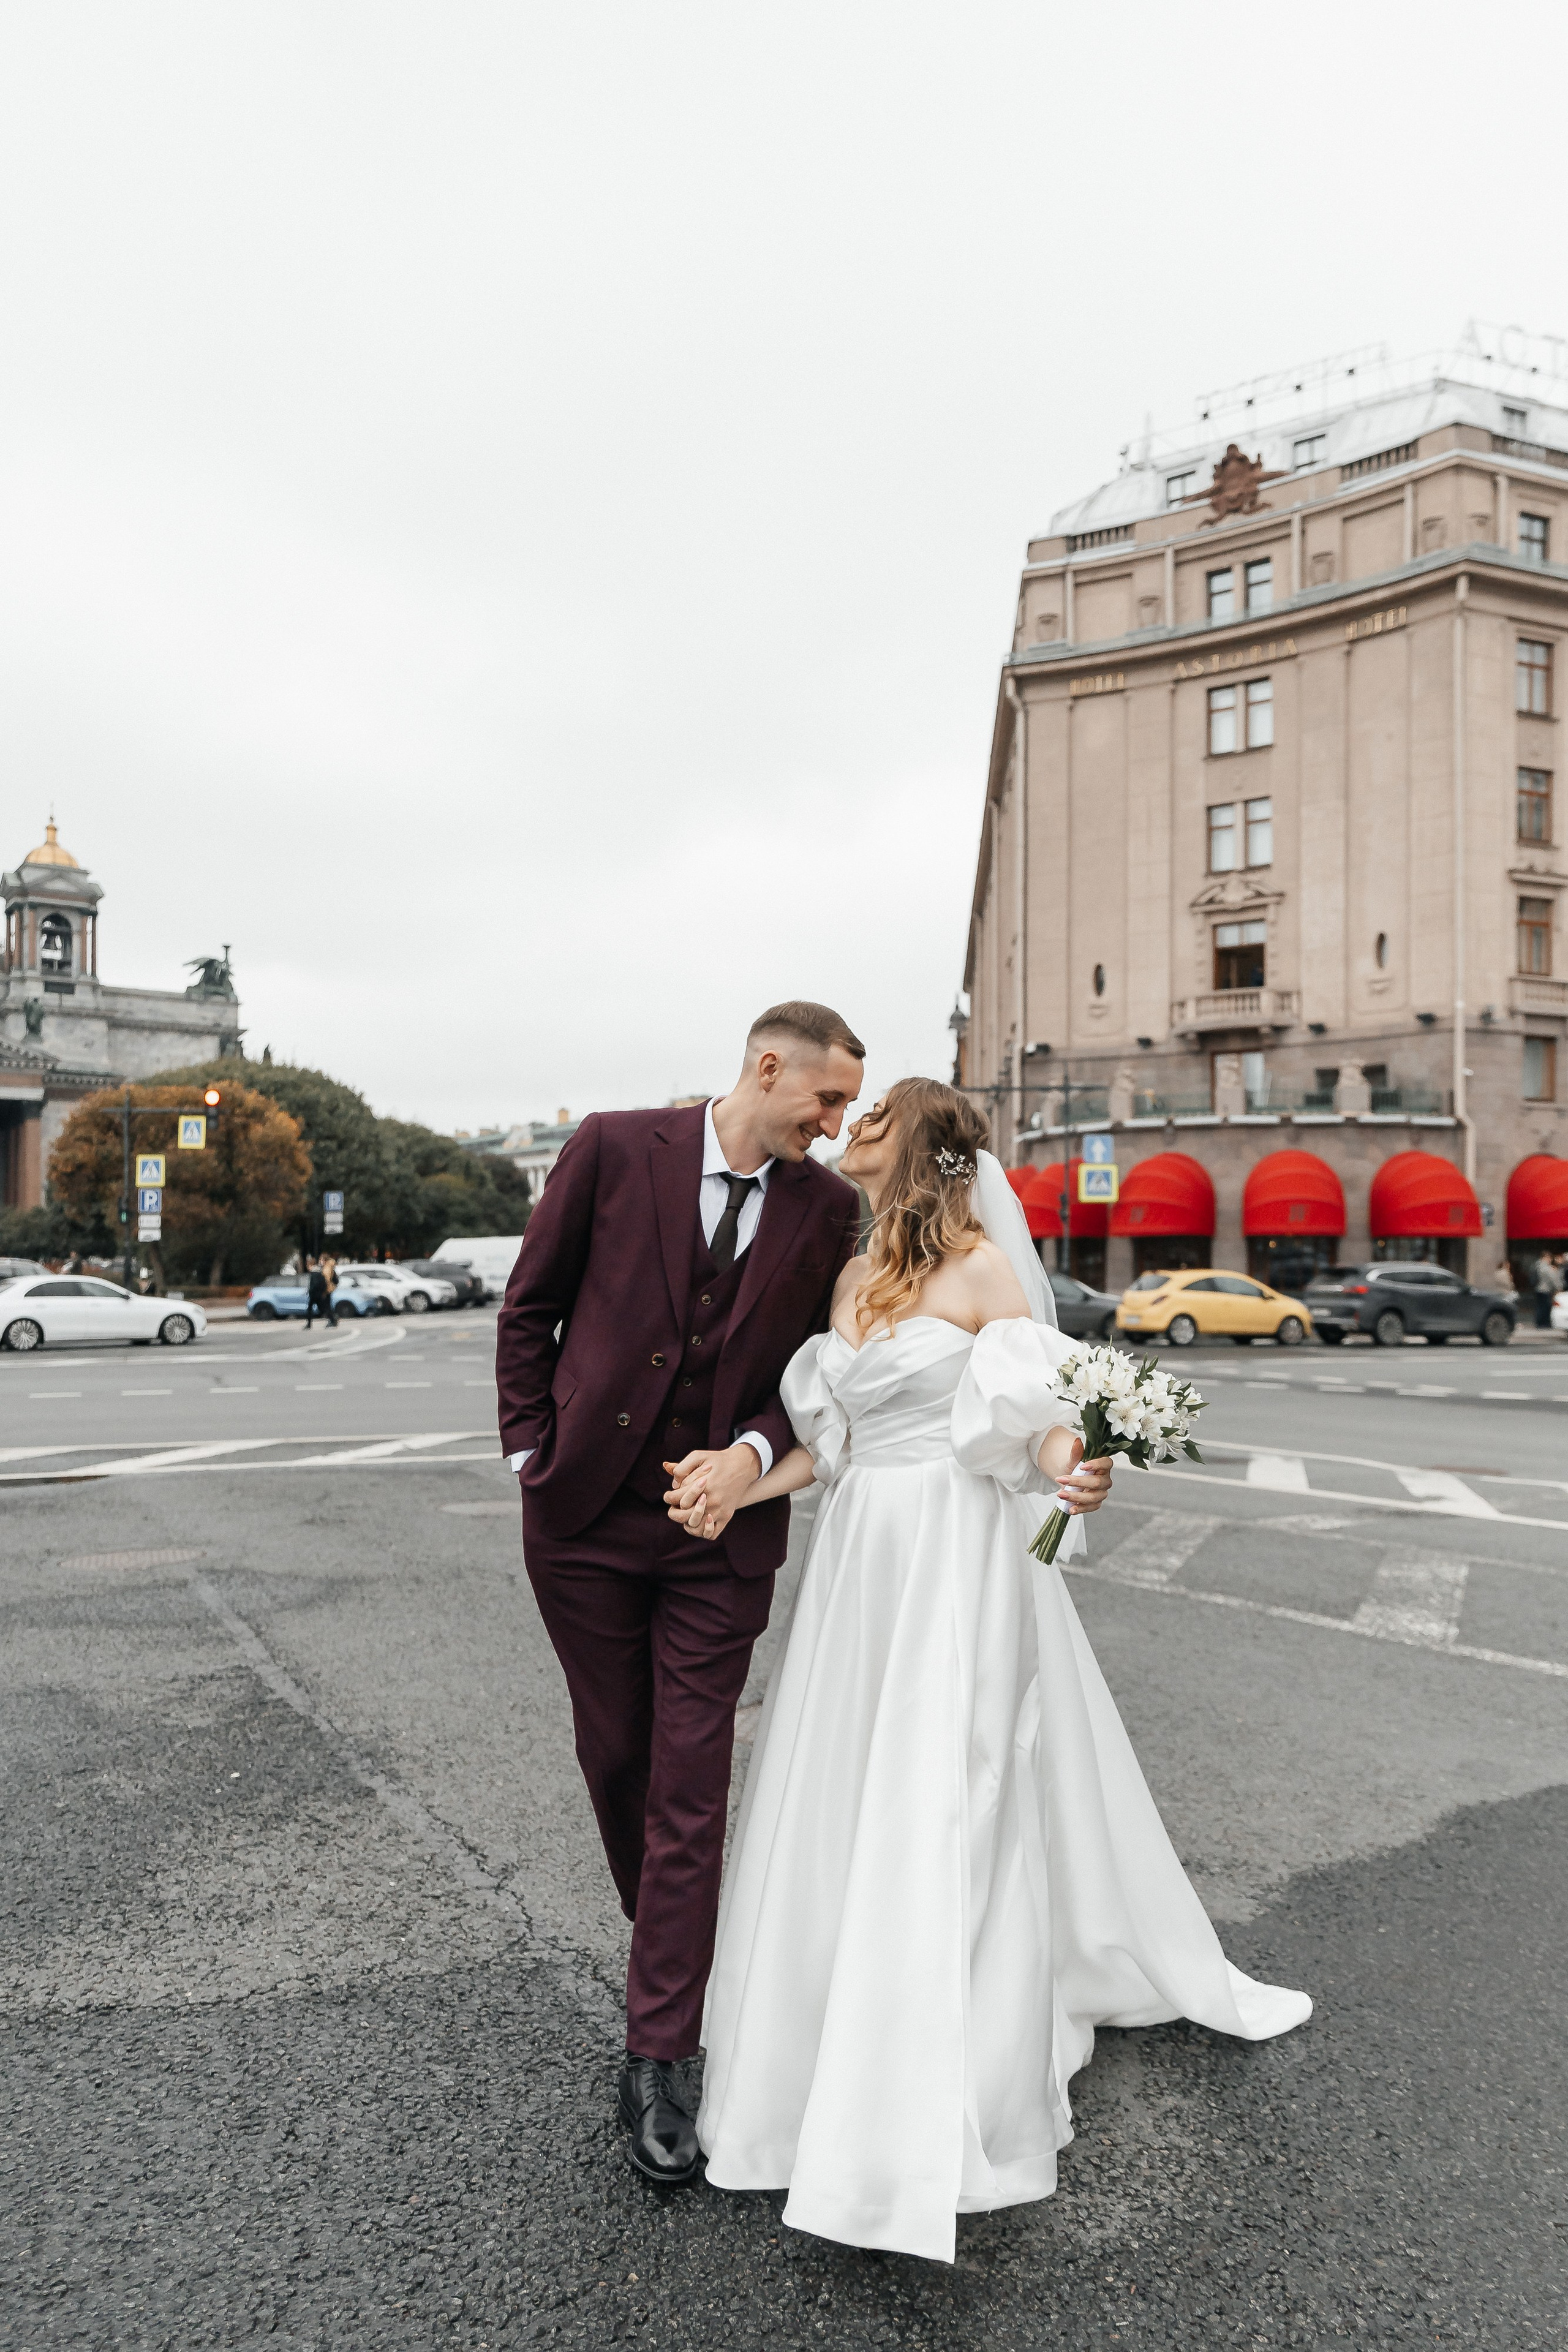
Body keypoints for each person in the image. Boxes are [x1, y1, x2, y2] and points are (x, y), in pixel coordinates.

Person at [674, 1079, 1311, 2264]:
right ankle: (828, 2046)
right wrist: (735, 1482)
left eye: (871, 1122)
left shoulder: (979, 1271)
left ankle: (945, 2074)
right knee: (850, 1785)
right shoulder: (853, 1279)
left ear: (915, 1145)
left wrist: (1081, 1467)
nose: (846, 1134)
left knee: (953, 1787)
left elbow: (1034, 1412)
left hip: (957, 1555)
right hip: (864, 1559)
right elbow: (833, 1444)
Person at [495, 1002, 865, 2185]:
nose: (839, 1122)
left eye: (850, 1105)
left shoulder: (828, 1208)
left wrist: (751, 1459)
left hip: (721, 1544)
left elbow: (815, 1376)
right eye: (828, 1099)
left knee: (692, 1785)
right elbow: (530, 1309)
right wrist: (529, 1454)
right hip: (586, 1521)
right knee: (621, 1764)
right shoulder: (612, 1147)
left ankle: (659, 2053)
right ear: (769, 1067)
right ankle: (672, 1944)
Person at [304, 1256, 337, 1330]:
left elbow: (315, 1284)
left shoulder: (315, 1272)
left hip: (316, 1294)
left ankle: (309, 1325)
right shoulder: (320, 1271)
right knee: (323, 1308)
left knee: (315, 1309)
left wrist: (311, 1291)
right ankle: (332, 1319)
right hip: (321, 1293)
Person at [1533, 1250, 1561, 1330]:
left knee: (1539, 1307)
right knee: (1545, 1308)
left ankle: (1539, 1323)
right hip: (1545, 1290)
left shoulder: (1537, 1266)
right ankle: (1543, 1323)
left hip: (1538, 1289)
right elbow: (1552, 1279)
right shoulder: (1546, 1267)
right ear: (1546, 1258)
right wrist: (1558, 1287)